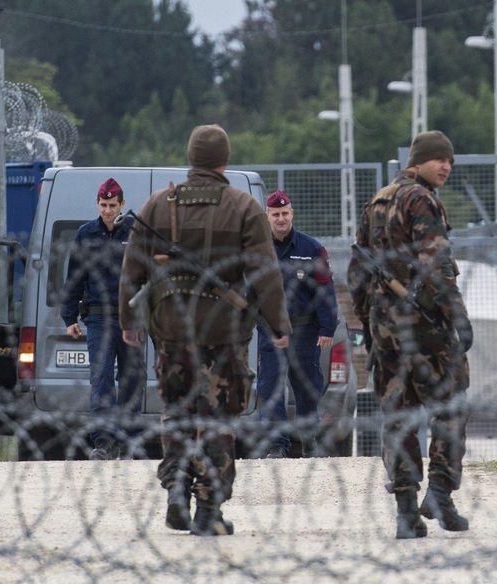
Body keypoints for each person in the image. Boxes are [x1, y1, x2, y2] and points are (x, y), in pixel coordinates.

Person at [118, 124, 290, 536]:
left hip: (171, 332)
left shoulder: (158, 205)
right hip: (223, 333)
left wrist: (129, 323)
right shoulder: (245, 207)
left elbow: (131, 273)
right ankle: (208, 508)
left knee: (177, 411)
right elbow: (265, 274)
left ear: (192, 159)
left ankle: (176, 490)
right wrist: (279, 324)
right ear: (224, 162)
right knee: (216, 418)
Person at [347, 130, 474, 539]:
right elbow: (436, 262)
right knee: (451, 402)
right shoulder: (420, 199)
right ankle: (438, 491)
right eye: (440, 160)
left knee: (398, 411)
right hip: (425, 325)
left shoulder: (377, 202)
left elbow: (358, 272)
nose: (446, 167)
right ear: (417, 162)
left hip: (387, 327)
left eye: (451, 162)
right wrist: (457, 316)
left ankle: (406, 511)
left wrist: (369, 323)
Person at [61, 177, 146, 460]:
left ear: (122, 205)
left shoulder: (135, 232)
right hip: (99, 318)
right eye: (103, 205)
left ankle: (130, 442)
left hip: (131, 318)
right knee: (101, 379)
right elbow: (75, 276)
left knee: (132, 379)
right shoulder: (86, 234)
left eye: (112, 205)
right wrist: (69, 316)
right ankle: (104, 443)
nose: (107, 210)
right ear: (97, 204)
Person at [257, 190, 338, 459]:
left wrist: (328, 327)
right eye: (275, 214)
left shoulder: (311, 248)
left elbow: (325, 290)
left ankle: (309, 440)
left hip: (305, 329)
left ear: (292, 214)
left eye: (285, 213)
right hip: (270, 328)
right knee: (270, 388)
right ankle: (276, 445)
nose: (281, 218)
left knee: (306, 387)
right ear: (267, 216)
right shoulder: (256, 248)